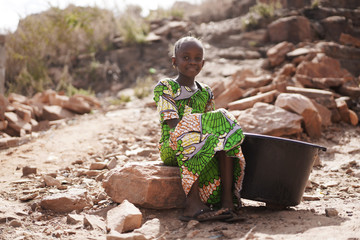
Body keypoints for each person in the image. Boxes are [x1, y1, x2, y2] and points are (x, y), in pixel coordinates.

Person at [153, 36, 246, 222]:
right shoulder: (166, 87)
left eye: (197, 58)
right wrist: (198, 127)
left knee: (223, 123)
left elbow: (214, 127)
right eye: (186, 57)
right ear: (174, 61)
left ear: (203, 63)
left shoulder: (205, 91)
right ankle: (192, 204)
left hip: (201, 145)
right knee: (191, 126)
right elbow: (174, 125)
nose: (192, 62)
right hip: (173, 145)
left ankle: (227, 201)